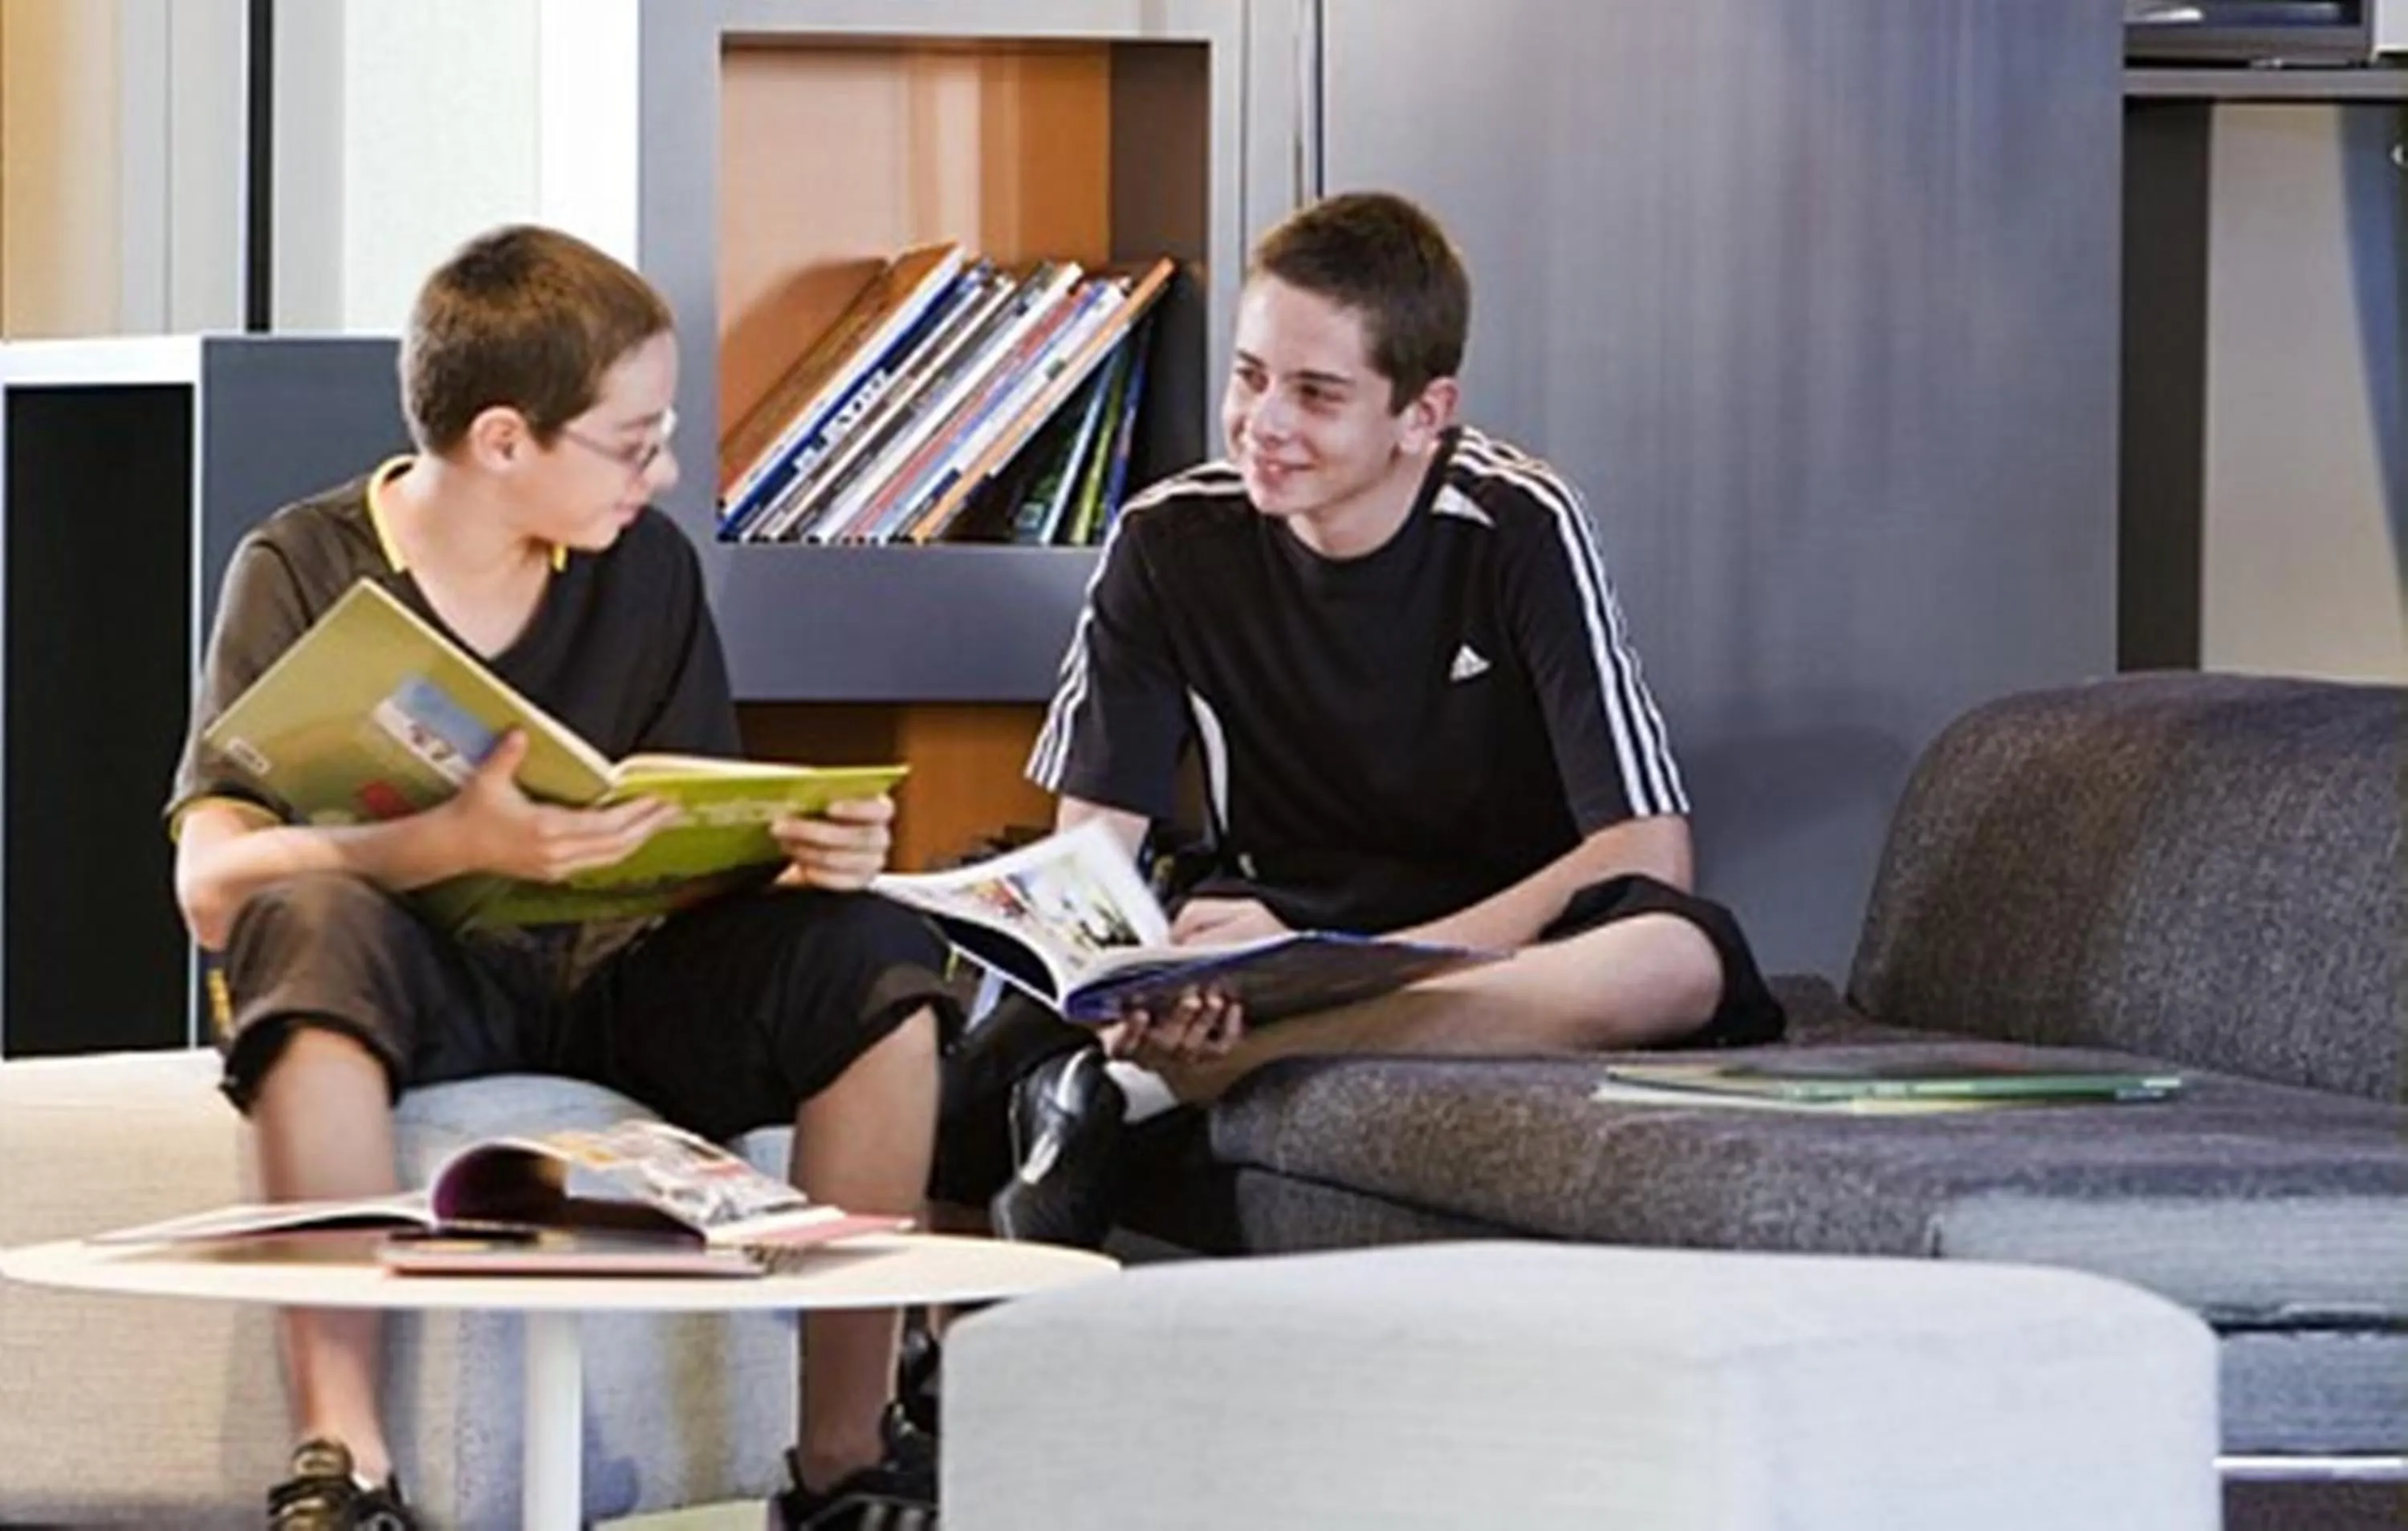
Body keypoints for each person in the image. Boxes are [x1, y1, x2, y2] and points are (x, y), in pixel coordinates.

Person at [169, 225, 950, 1531]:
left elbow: (703, 839)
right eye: (633, 441)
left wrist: (809, 855)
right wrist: (443, 847)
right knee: (304, 917)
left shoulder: (646, 572)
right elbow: (213, 883)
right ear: (504, 440)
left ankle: (843, 1461)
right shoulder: (303, 568)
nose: (663, 471)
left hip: (617, 975)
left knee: (869, 952)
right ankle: (344, 1466)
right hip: (410, 987)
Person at [932, 189, 1785, 1250]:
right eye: (1250, 378)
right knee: (973, 1062)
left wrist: (1369, 960)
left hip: (1497, 939)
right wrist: (1133, 976)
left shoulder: (1518, 523)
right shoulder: (1168, 541)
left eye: (1317, 395)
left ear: (1423, 414)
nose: (1264, 425)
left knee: (1673, 959)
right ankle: (1155, 1084)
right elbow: (1089, 859)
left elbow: (1647, 851)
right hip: (1264, 934)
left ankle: (1222, 1072)